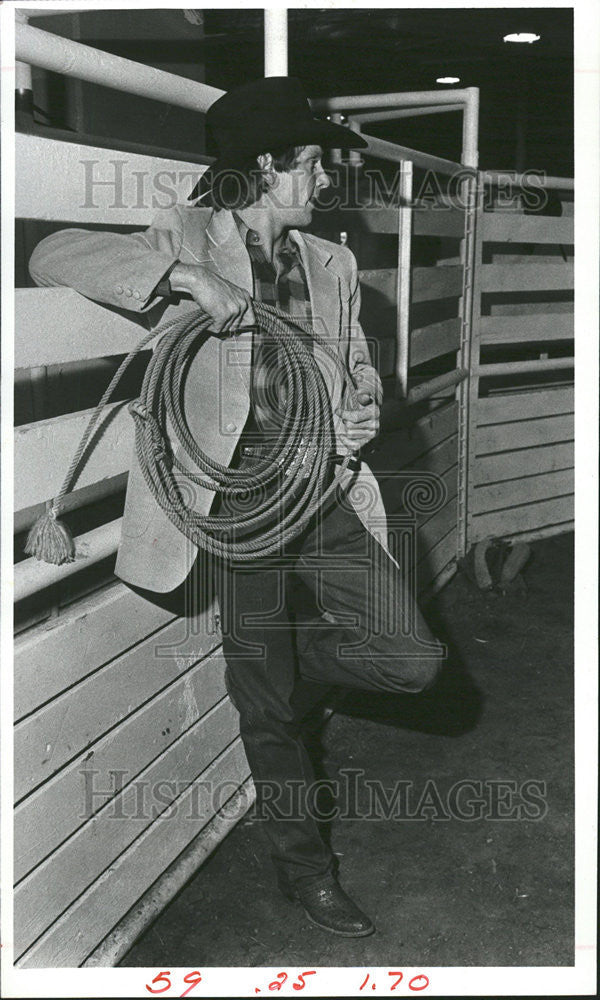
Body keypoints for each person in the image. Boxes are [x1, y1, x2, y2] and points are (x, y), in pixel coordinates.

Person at [29, 76, 444, 938]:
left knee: (412, 662)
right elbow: (53, 253)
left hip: (318, 488)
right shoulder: (185, 233)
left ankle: (282, 667)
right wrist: (181, 274)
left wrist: (360, 401)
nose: (326, 182)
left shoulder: (331, 261)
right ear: (267, 165)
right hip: (236, 503)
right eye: (315, 166)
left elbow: (355, 362)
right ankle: (307, 871)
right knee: (266, 704)